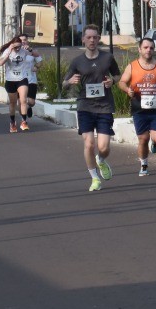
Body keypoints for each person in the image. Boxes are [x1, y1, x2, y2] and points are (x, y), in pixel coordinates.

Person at [64, 25, 121, 191]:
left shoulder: (107, 58)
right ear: (83, 39)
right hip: (85, 106)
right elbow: (64, 83)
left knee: (104, 147)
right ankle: (95, 178)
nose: (92, 40)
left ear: (99, 39)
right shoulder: (77, 61)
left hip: (104, 106)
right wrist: (70, 82)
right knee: (89, 144)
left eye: (95, 37)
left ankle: (101, 161)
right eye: (88, 37)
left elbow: (118, 75)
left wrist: (113, 81)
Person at [120, 36, 156, 175]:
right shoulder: (132, 66)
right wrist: (128, 90)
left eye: (151, 48)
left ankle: (155, 143)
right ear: (139, 49)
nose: (148, 50)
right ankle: (144, 165)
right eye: (145, 47)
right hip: (139, 108)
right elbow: (121, 82)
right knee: (143, 138)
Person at [0, 35, 43, 132]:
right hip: (11, 80)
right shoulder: (8, 51)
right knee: (13, 103)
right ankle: (12, 122)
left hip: (22, 79)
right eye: (16, 47)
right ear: (12, 45)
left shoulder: (24, 51)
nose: (18, 48)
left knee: (23, 100)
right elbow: (1, 63)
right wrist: (9, 52)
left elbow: (37, 55)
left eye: (19, 46)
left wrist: (30, 50)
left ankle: (23, 122)